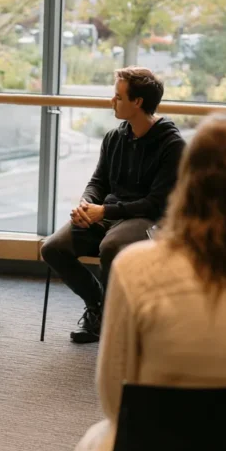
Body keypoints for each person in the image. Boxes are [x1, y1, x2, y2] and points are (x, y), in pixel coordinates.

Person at [69, 114, 226, 451]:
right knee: (201, 442)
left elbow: (114, 399)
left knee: (108, 442)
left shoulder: (139, 267)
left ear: (188, 180)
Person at [41, 66, 185, 343]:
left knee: (112, 246)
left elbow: (156, 203)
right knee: (52, 248)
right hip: (108, 213)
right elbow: (98, 181)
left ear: (137, 102)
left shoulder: (172, 145)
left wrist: (104, 211)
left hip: (148, 218)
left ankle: (110, 316)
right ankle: (99, 306)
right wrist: (87, 205)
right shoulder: (114, 137)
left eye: (118, 97)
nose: (112, 102)